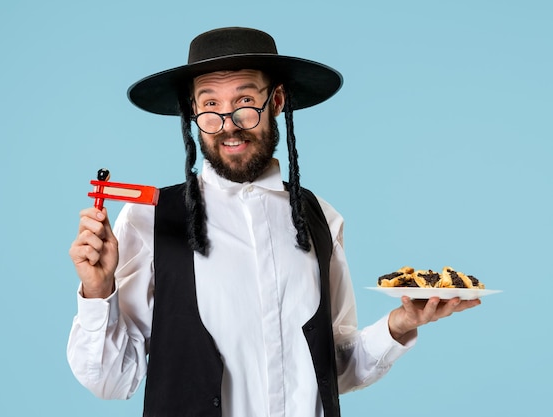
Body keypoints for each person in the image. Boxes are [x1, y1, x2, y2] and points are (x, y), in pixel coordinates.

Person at [67, 27, 480, 417]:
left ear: (277, 101)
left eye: (244, 101)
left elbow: (331, 367)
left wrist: (399, 325)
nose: (228, 124)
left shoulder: (320, 217)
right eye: (210, 105)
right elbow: (112, 382)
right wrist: (98, 290)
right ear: (193, 111)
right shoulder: (150, 220)